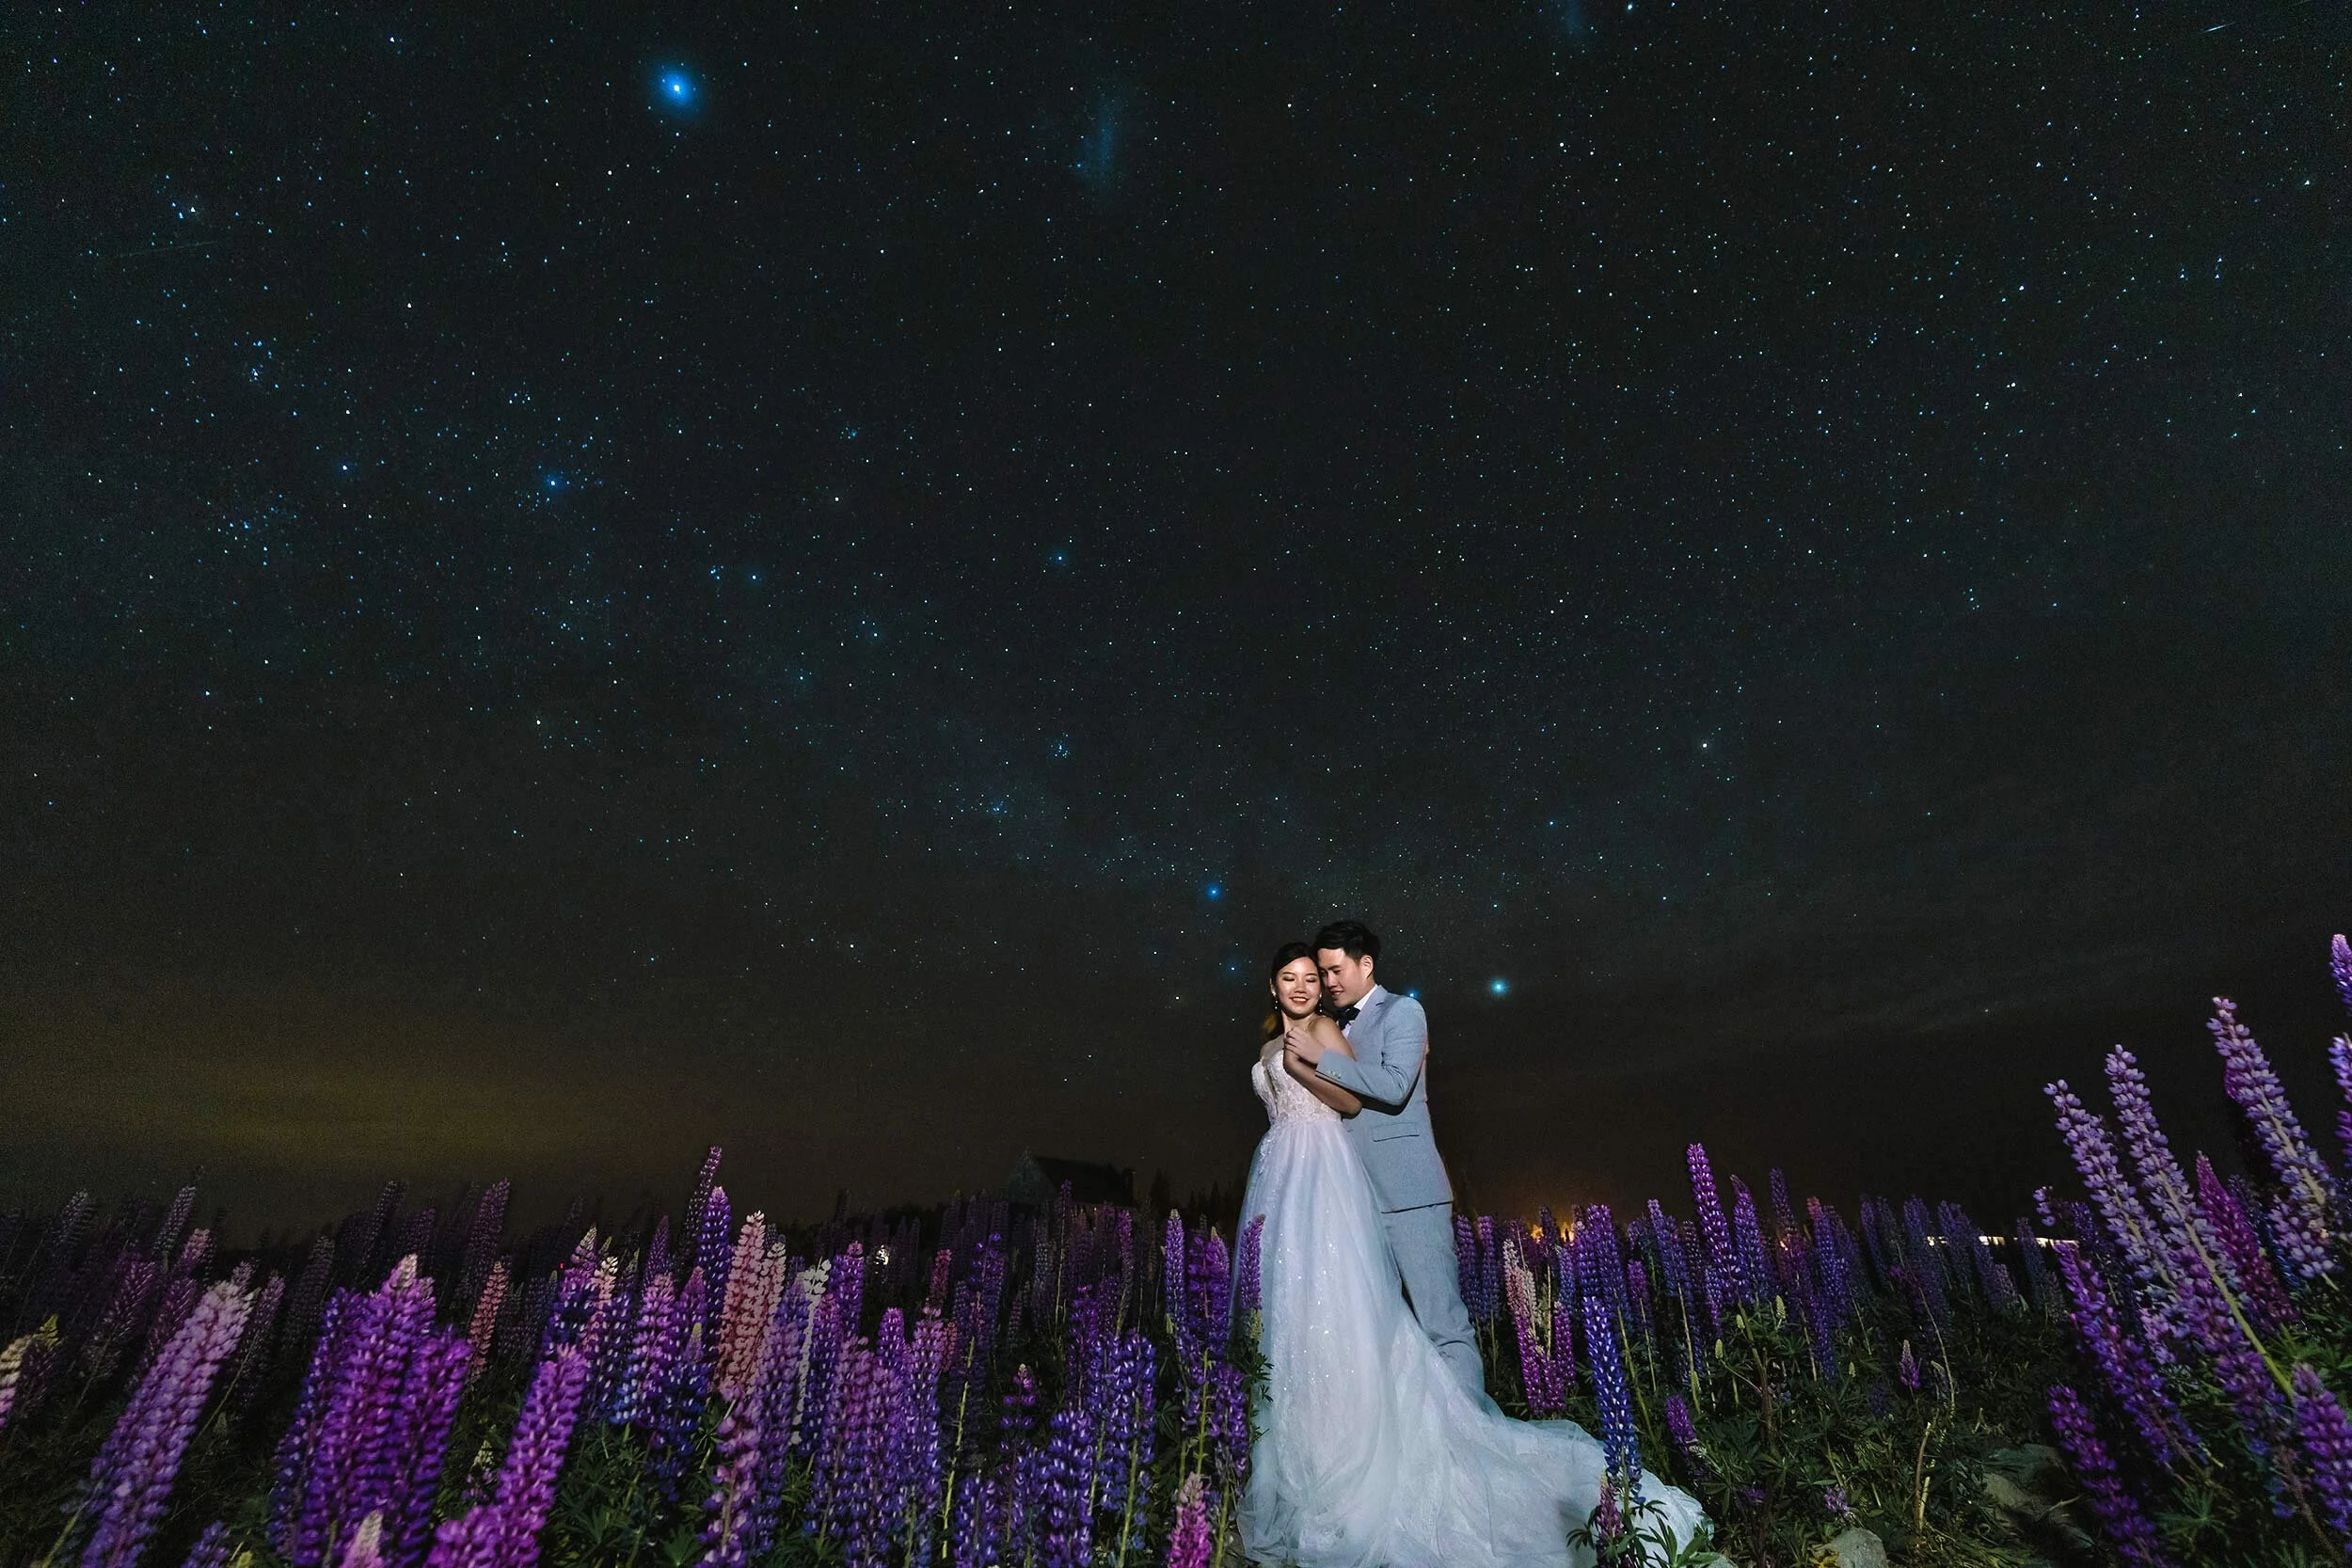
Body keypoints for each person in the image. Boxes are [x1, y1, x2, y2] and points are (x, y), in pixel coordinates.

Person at [1236, 931, 1715, 1568]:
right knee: (1348, 1330)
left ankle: (1469, 1454)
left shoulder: (1401, 1012)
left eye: (1328, 971)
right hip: (1330, 1193)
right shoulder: (1310, 1029)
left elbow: (1389, 1088)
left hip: (1403, 1189)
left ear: (1364, 965)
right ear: (1274, 986)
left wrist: (1309, 1061)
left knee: (1440, 1326)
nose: (1322, 983)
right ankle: (1340, 1450)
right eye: (1308, 974)